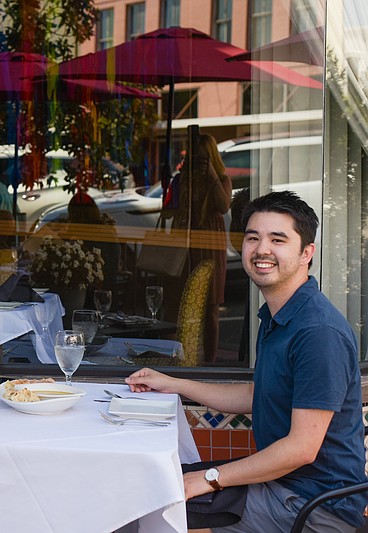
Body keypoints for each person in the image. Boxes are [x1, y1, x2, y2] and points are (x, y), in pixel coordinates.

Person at [126, 191, 367, 532]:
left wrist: (210, 479)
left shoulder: (318, 332)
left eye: (278, 239)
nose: (262, 249)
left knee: (149, 505)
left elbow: (301, 449)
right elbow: (258, 395)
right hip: (282, 485)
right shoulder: (279, 315)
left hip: (312, 506)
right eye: (253, 237)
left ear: (306, 253)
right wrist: (174, 384)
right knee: (150, 483)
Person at [172, 132, 232, 362]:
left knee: (211, 307)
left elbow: (223, 206)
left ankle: (210, 361)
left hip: (211, 244)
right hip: (188, 243)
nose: (199, 161)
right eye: (196, 156)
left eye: (204, 157)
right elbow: (172, 210)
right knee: (185, 302)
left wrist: (211, 176)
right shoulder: (183, 179)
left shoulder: (221, 179)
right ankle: (185, 356)